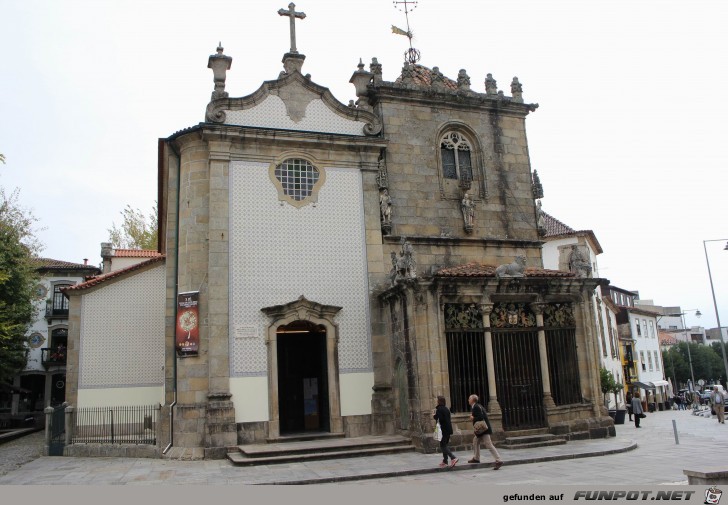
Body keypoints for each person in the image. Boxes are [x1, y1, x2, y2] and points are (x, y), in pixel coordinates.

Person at [467, 394, 503, 470]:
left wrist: (473, 418)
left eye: (469, 399)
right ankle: (476, 458)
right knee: (475, 441)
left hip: (483, 430)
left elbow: (480, 417)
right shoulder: (477, 406)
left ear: (473, 400)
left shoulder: (476, 407)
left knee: (489, 445)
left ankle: (498, 460)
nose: (468, 400)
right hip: (482, 430)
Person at [433, 395, 458, 468]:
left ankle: (453, 457)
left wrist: (434, 416)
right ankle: (445, 461)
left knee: (443, 445)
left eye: (437, 400)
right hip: (448, 429)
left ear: (439, 401)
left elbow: (440, 419)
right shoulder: (446, 409)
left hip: (443, 430)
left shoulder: (439, 409)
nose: (436, 401)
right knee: (444, 445)